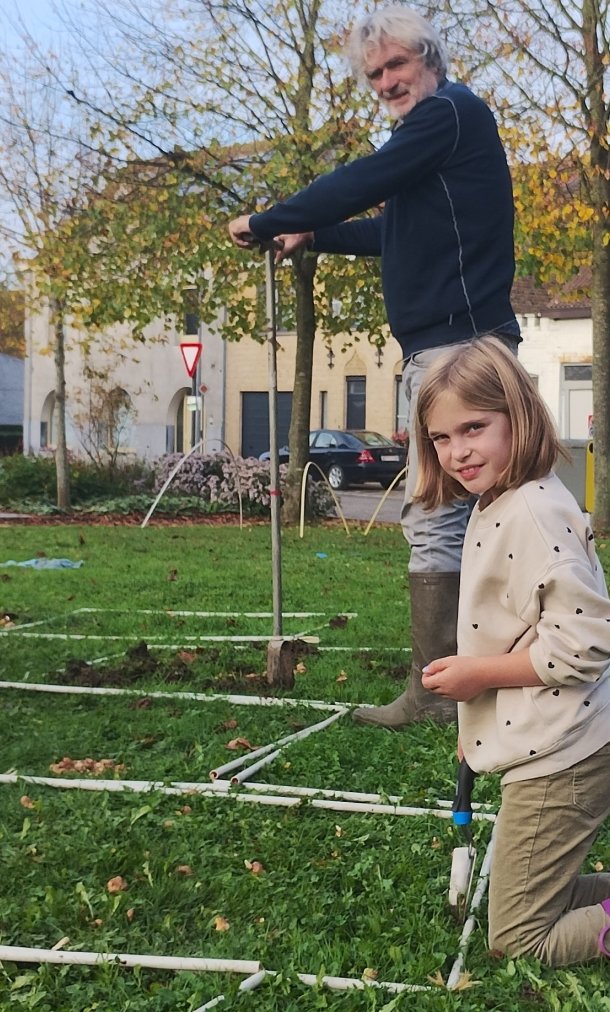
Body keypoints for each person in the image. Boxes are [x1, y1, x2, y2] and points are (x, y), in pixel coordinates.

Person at [228, 5, 521, 729]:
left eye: (397, 65)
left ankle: (435, 694)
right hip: (467, 342)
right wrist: (312, 234)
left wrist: (267, 219)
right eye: (375, 74)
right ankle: (505, 667)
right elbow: (394, 227)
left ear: (429, 59)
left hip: (456, 349)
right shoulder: (446, 139)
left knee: (435, 513)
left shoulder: (446, 115)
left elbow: (367, 177)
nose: (387, 81)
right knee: (491, 507)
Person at [414, 336, 610, 966]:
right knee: (526, 905)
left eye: (474, 427)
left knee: (520, 940)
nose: (458, 451)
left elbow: (584, 643)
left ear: (518, 416)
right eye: (442, 438)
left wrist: (476, 678)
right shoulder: (500, 498)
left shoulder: (531, 510)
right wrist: (482, 713)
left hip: (567, 749)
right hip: (553, 733)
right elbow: (522, 623)